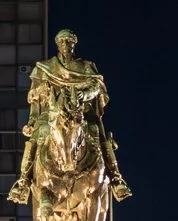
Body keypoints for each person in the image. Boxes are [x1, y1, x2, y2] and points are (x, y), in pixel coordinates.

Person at [8, 29, 132, 204]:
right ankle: (23, 182)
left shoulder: (86, 66)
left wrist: (84, 94)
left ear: (74, 44)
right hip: (51, 112)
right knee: (38, 135)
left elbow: (96, 87)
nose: (66, 45)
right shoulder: (45, 68)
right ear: (57, 44)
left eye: (69, 41)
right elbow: (36, 99)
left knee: (96, 130)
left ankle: (116, 178)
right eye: (62, 41)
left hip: (80, 110)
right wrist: (32, 120)